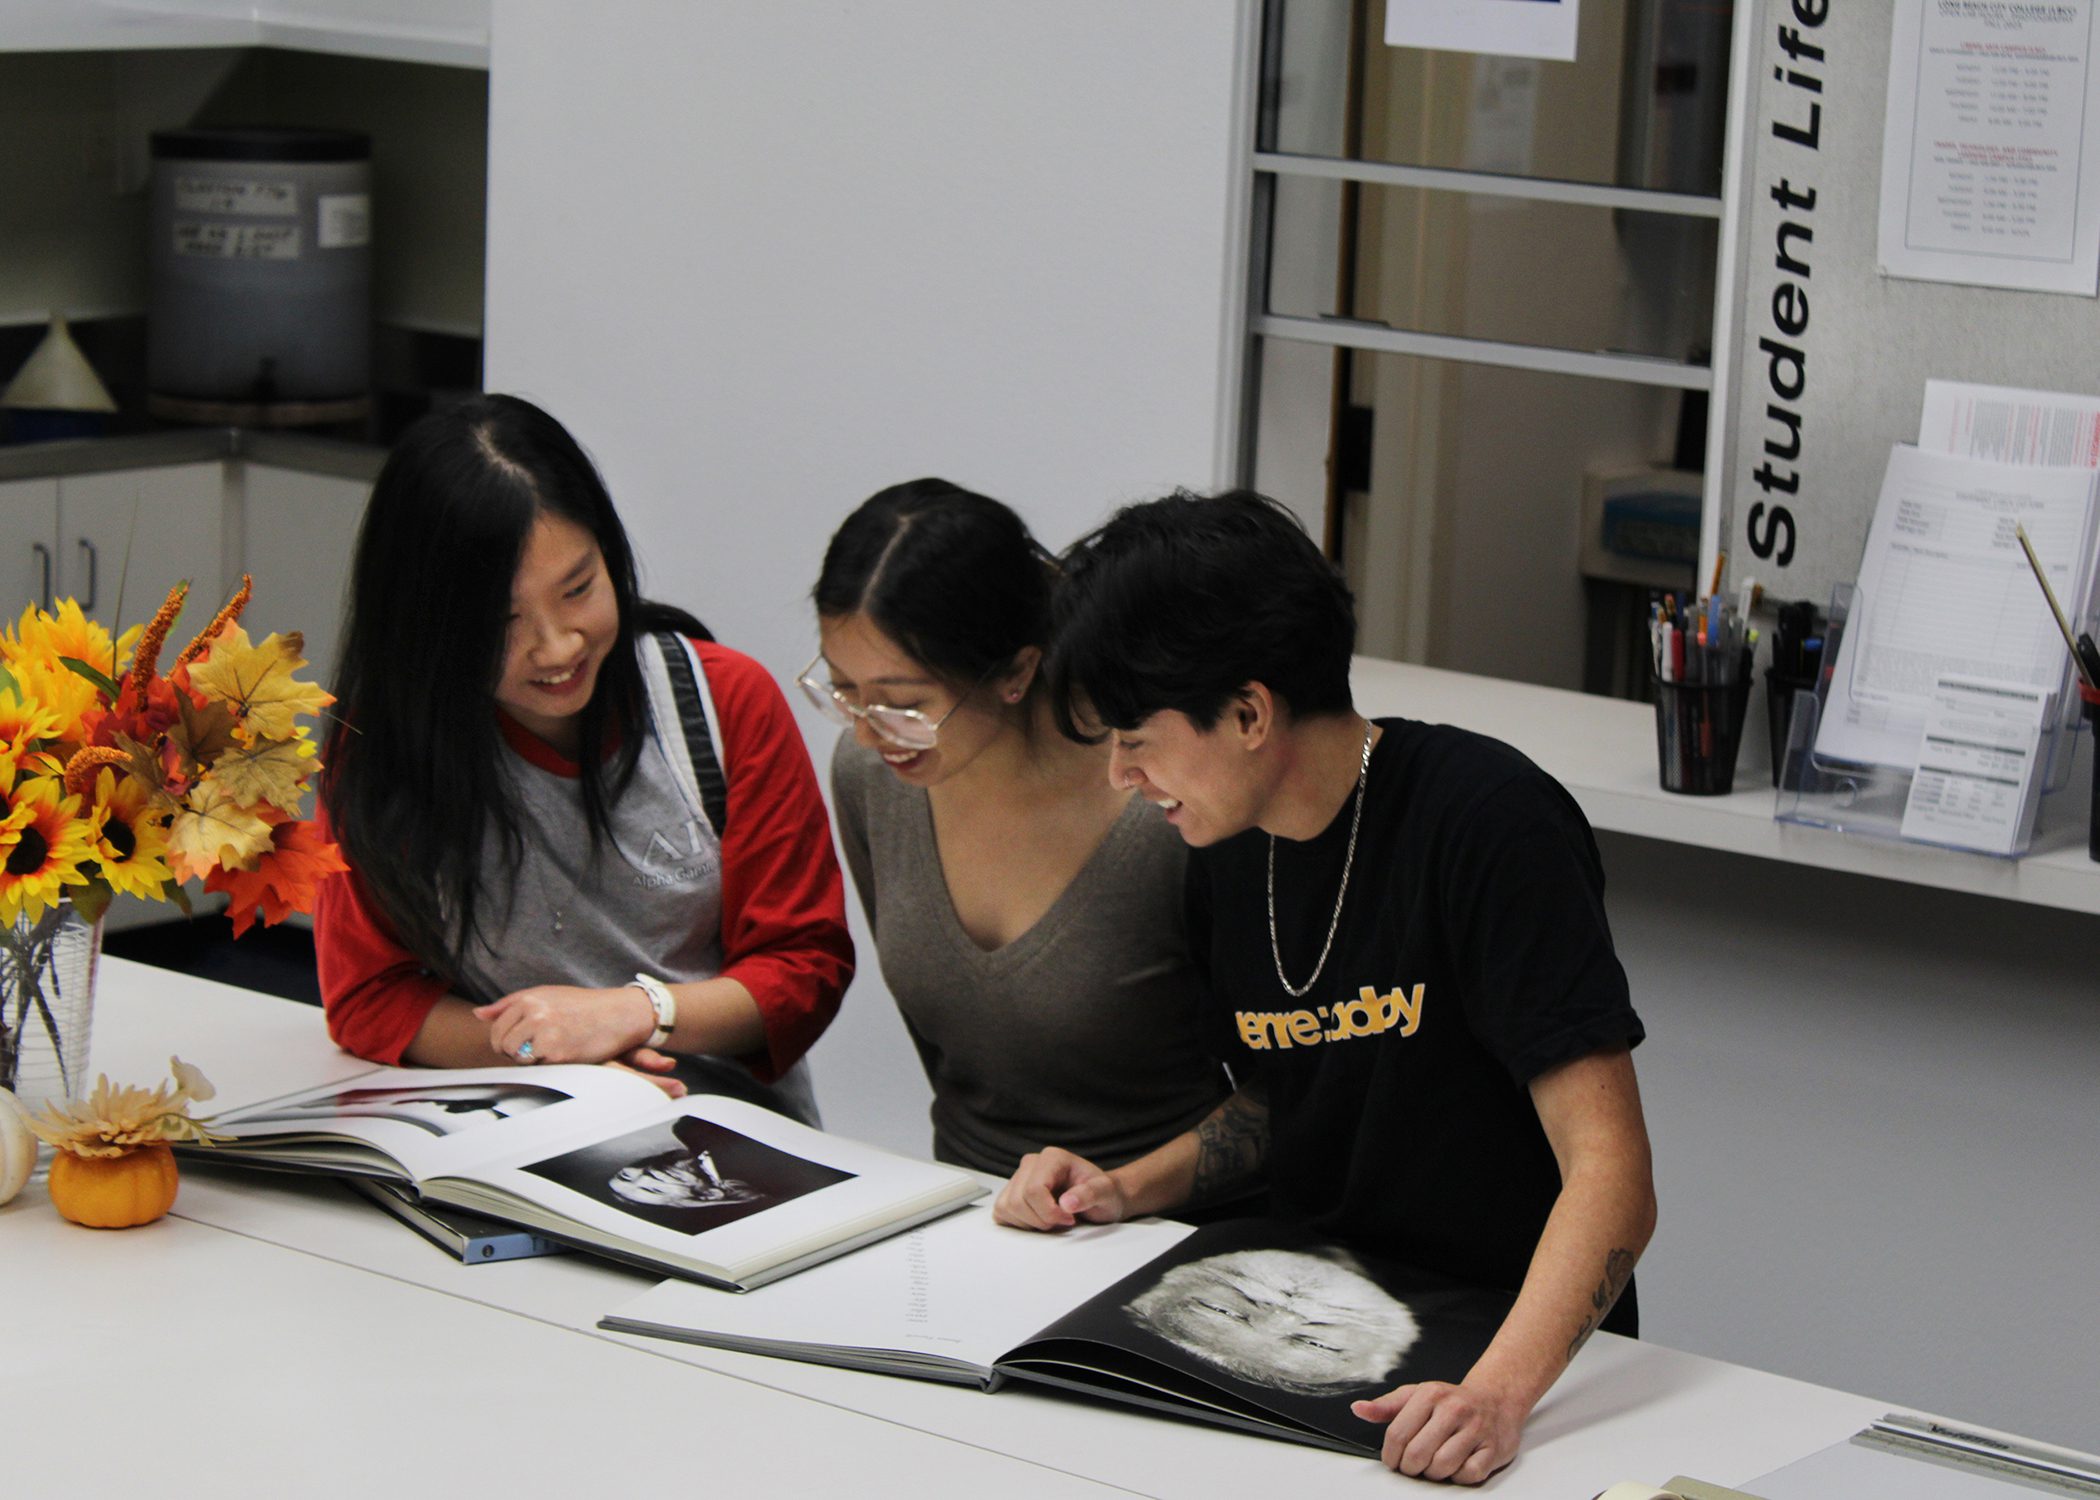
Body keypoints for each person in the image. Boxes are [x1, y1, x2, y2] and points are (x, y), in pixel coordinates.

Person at [993, 490, 1656, 1485]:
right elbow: (1291, 1089)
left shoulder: (1487, 822)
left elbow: (1613, 1173)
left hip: (1503, 1352)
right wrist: (1123, 1186)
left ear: (1249, 714)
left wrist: (1496, 1396)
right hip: (1304, 1329)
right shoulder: (1227, 847)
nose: (1120, 776)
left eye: (1136, 738)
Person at [315, 394, 852, 1125]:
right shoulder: (385, 749)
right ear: (426, 626)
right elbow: (370, 997)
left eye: (579, 589)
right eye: (502, 622)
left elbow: (804, 968)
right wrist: (553, 1057)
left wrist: (635, 1013)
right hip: (509, 1127)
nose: (557, 646)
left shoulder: (720, 702)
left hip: (722, 1131)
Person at [809, 478, 1229, 1174]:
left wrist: (1120, 1192)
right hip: (974, 1206)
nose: (867, 731)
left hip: (1166, 1213)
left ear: (1016, 672)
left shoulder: (1161, 799)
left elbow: (1283, 1096)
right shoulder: (871, 777)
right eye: (842, 689)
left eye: (903, 704)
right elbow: (956, 1067)